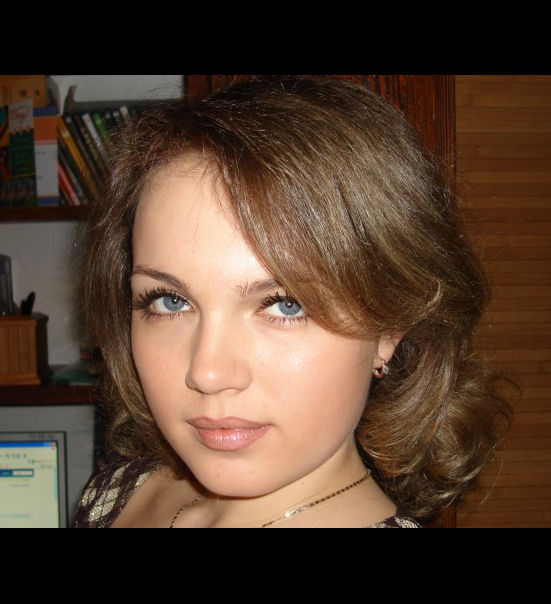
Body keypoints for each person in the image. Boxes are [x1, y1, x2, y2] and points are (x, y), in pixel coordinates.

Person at [73, 75, 512, 528]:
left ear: (388, 328)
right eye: (169, 301)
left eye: (286, 305)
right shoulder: (121, 491)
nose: (207, 373)